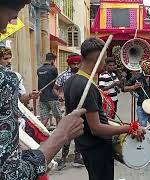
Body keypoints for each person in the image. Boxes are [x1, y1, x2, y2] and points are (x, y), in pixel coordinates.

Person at [0, 1, 85, 179]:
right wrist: (60, 136)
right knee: (62, 125)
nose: (14, 20)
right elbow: (11, 174)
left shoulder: (40, 70)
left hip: (42, 97)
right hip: (52, 101)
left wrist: (30, 96)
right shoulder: (7, 79)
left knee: (45, 122)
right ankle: (68, 153)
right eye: (14, 12)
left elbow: (18, 100)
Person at [64, 37, 145, 180]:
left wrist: (120, 125)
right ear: (99, 59)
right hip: (97, 147)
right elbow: (96, 128)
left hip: (84, 144)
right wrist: (128, 129)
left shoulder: (72, 80)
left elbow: (86, 118)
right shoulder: (86, 87)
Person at [52, 53, 84, 169]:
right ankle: (63, 158)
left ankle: (77, 157)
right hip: (69, 108)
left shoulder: (84, 75)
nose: (75, 65)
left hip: (81, 108)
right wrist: (59, 96)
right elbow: (54, 89)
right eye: (73, 64)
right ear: (69, 64)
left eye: (77, 63)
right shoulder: (63, 76)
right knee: (68, 133)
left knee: (80, 132)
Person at [37, 53, 62, 127]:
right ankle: (58, 134)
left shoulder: (39, 70)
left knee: (44, 119)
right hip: (52, 97)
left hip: (43, 97)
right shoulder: (53, 69)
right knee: (58, 117)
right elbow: (57, 81)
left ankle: (40, 135)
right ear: (52, 60)